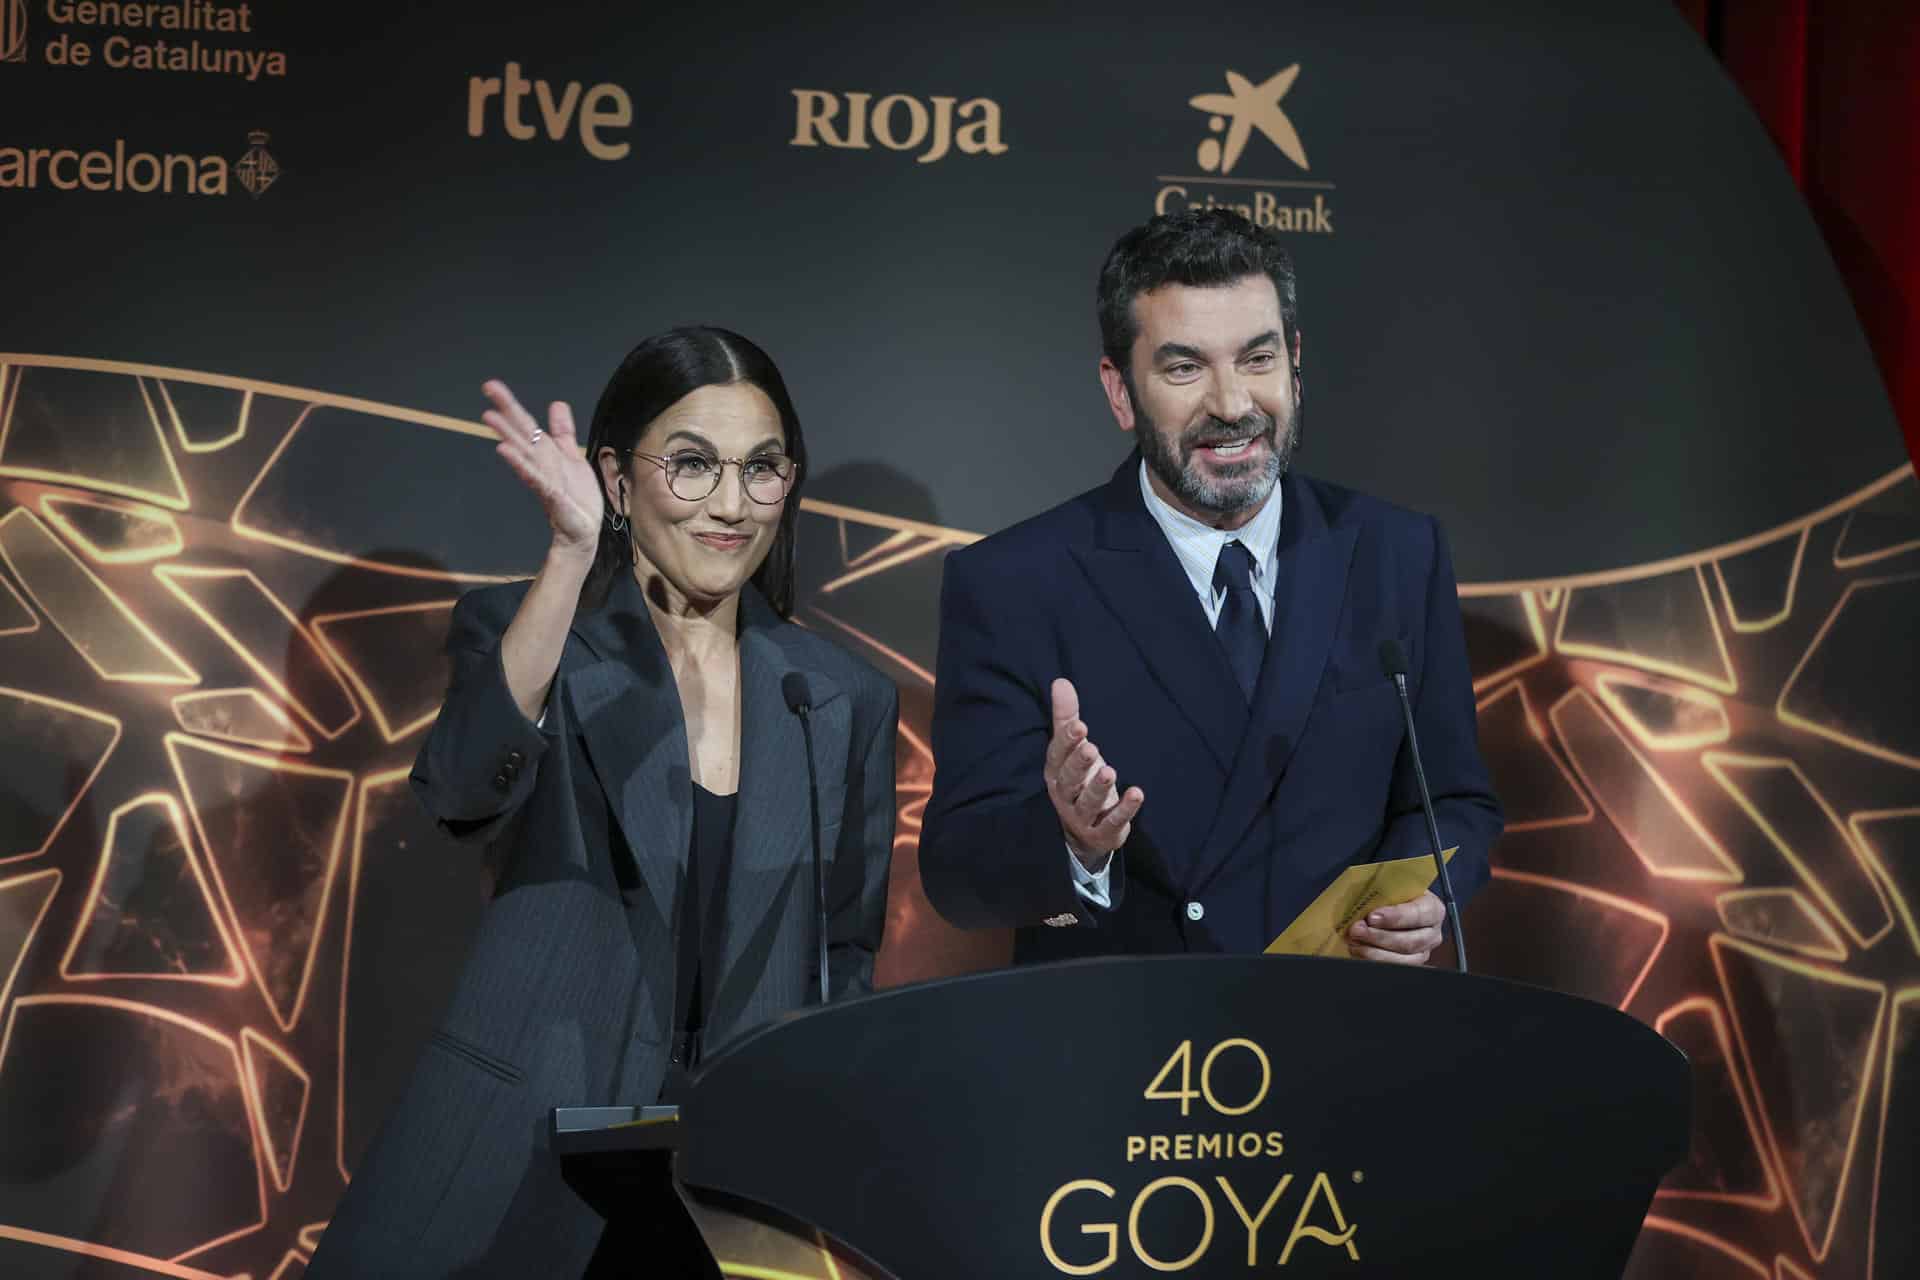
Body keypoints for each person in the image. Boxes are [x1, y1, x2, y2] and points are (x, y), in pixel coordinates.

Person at [308, 327, 899, 1278]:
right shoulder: (532, 635)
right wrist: (571, 554)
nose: (731, 504)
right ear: (619, 480)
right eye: (693, 465)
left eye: (762, 469)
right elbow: (462, 791)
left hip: (733, 1189)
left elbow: (846, 953)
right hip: (517, 1155)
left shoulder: (836, 697)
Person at [919, 209, 1501, 963]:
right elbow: (959, 877)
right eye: (1185, 367)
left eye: (1257, 359)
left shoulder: (1397, 552)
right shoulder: (1015, 582)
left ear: (1295, 363)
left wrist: (1422, 898)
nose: (1231, 405)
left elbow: (1453, 802)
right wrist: (1070, 841)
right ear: (1121, 390)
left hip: (1345, 1033)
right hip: (1134, 1054)